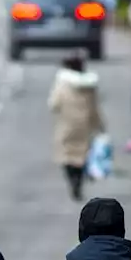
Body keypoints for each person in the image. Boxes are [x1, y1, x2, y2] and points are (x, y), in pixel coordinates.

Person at [48, 52, 106, 202]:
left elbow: (54, 104)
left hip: (67, 125)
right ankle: (78, 183)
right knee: (82, 156)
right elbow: (95, 108)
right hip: (85, 126)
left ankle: (72, 181)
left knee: (67, 156)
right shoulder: (90, 86)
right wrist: (100, 126)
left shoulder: (62, 84)